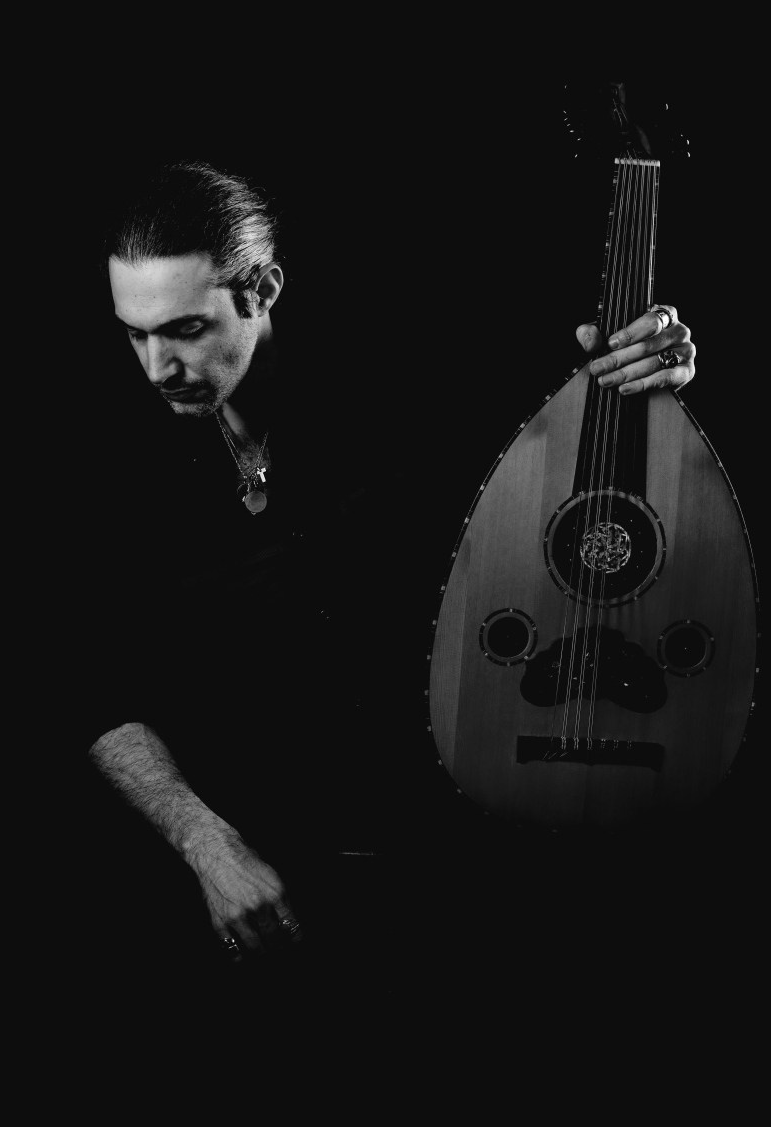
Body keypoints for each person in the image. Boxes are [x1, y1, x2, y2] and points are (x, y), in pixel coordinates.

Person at [78, 160, 697, 1015]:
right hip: (262, 879)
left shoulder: (410, 385)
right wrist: (206, 845)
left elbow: (594, 414)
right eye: (135, 335)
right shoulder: (112, 461)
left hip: (465, 863)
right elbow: (92, 679)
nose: (157, 367)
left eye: (184, 329)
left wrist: (652, 364)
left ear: (263, 291)